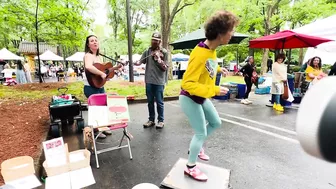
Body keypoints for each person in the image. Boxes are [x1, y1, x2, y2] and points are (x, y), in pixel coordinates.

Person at [179, 10, 238, 182]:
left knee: (216, 122)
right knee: (200, 132)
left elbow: (208, 65)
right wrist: (213, 91)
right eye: (230, 31)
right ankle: (190, 166)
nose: (231, 34)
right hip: (189, 98)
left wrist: (219, 69)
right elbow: (187, 84)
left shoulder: (211, 50)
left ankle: (196, 148)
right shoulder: (200, 53)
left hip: (200, 97)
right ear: (220, 33)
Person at [134, 32, 168, 129]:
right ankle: (151, 120)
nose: (154, 42)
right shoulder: (147, 51)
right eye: (153, 40)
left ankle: (161, 121)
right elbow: (141, 61)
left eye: (156, 41)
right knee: (149, 101)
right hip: (149, 80)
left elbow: (165, 67)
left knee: (159, 102)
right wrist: (136, 62)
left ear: (160, 41)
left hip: (159, 81)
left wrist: (159, 60)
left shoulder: (164, 52)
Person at [83, 34, 114, 139]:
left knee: (102, 107)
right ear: (88, 44)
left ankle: (102, 127)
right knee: (95, 109)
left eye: (96, 40)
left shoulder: (99, 57)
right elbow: (88, 67)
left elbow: (100, 71)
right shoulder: (88, 55)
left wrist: (105, 76)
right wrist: (101, 74)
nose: (95, 42)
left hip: (99, 86)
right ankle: (95, 130)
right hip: (90, 87)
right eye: (92, 41)